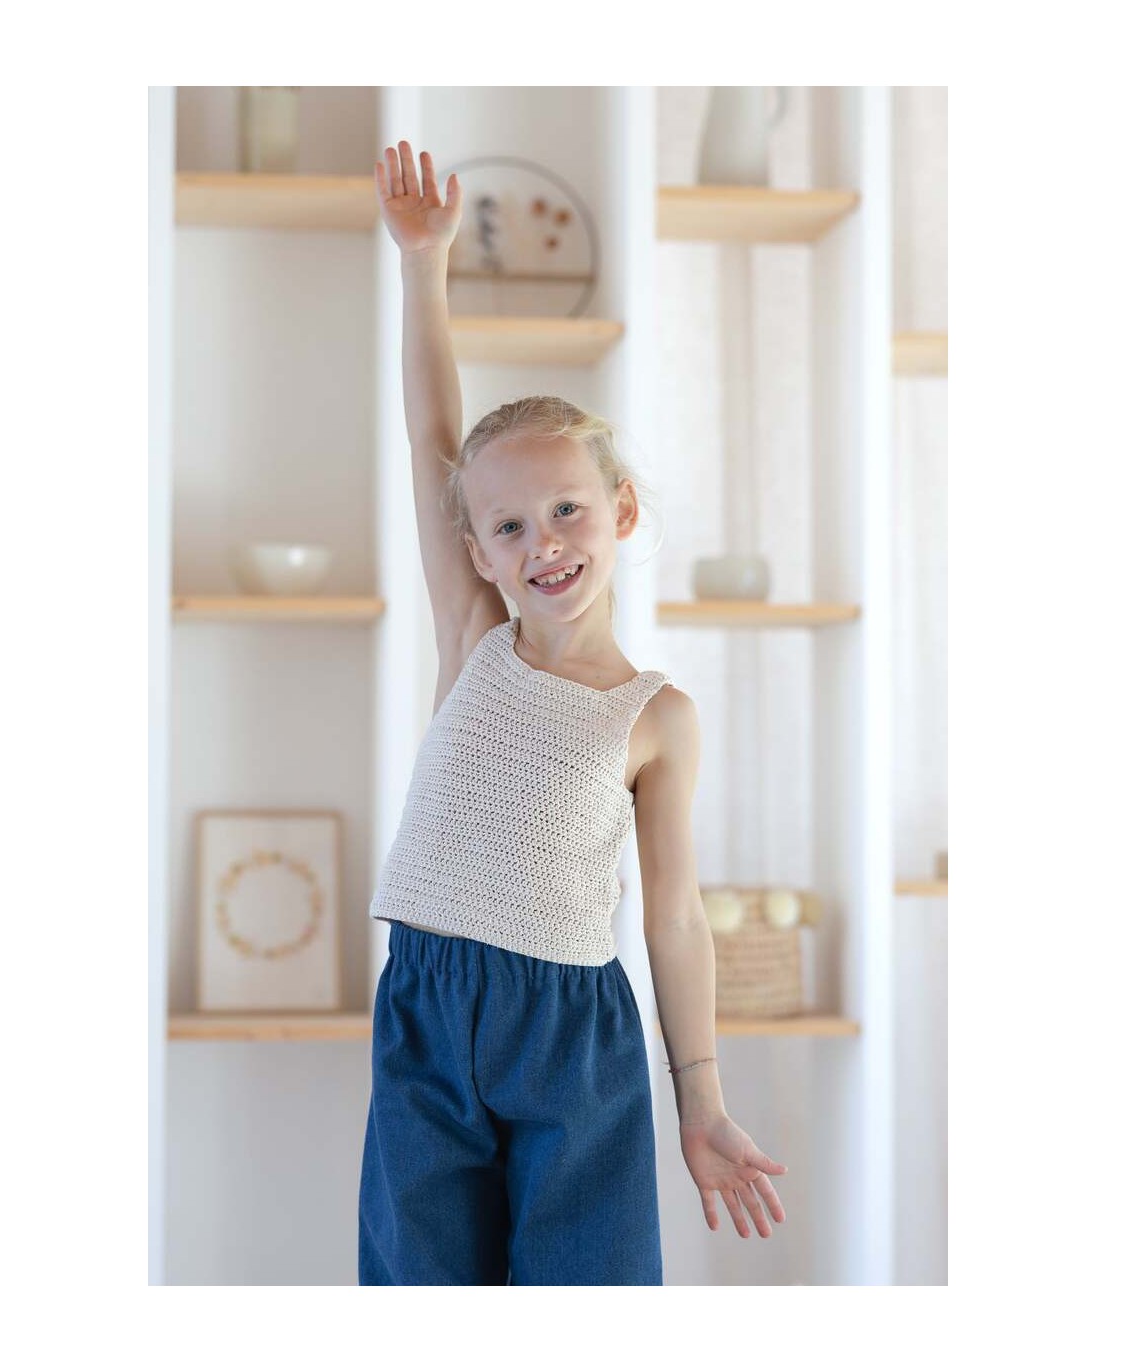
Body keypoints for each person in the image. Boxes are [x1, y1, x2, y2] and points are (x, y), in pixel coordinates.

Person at [357, 140, 788, 1286]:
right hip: (427, 1003)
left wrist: (701, 1099)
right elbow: (433, 438)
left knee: (585, 1287)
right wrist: (424, 264)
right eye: (507, 526)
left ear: (621, 512)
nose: (540, 542)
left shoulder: (656, 715)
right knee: (421, 1282)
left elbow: (676, 918)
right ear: (476, 551)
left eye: (566, 510)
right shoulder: (475, 637)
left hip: (571, 1030)